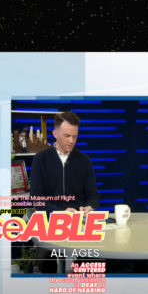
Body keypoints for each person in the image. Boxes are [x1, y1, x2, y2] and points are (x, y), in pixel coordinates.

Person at [29, 111, 100, 273]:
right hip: (49, 220)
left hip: (78, 221)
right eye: (67, 136)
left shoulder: (84, 161)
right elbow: (36, 198)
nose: (71, 141)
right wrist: (60, 213)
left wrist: (90, 206)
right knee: (45, 258)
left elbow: (93, 194)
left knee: (94, 256)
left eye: (75, 136)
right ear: (55, 134)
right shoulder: (41, 159)